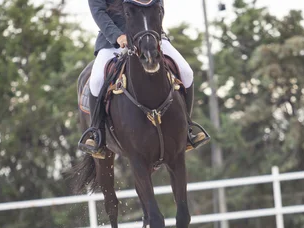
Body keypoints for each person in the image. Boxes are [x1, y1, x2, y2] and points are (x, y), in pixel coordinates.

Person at [80, 0, 210, 158]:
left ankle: (188, 129)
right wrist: (117, 36)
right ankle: (96, 133)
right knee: (96, 81)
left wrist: (151, 30)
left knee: (186, 72)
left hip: (149, 35)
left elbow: (158, 5)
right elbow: (98, 12)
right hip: (113, 41)